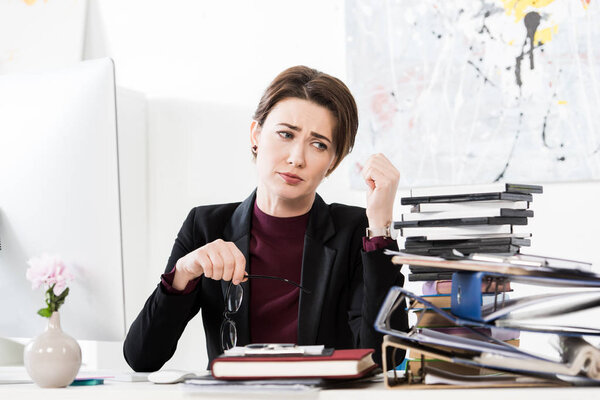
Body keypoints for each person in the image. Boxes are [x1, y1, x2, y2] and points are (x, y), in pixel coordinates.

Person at [123, 66, 408, 372]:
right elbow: (142, 357)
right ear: (256, 135)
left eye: (318, 144)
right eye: (286, 134)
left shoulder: (355, 232)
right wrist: (182, 275)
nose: (297, 158)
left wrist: (379, 227)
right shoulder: (205, 226)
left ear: (332, 162)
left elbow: (386, 357)